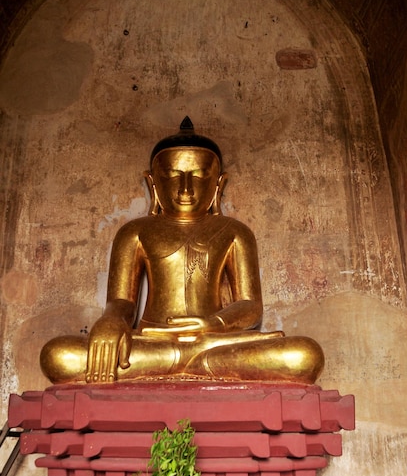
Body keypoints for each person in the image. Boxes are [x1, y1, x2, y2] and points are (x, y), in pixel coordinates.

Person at [40, 118, 324, 384]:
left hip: (213, 343)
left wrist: (212, 324)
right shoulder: (134, 231)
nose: (185, 188)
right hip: (153, 343)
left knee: (303, 355)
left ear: (218, 184)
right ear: (153, 183)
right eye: (173, 176)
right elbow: (122, 301)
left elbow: (250, 306)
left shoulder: (235, 232)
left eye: (199, 176)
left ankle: (187, 364)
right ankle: (191, 366)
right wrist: (111, 322)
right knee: (58, 356)